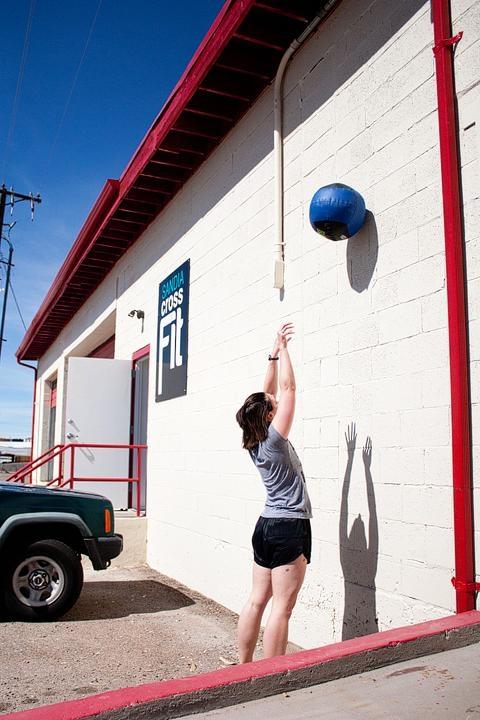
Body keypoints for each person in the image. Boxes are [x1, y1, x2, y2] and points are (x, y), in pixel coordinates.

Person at [235, 322, 312, 662]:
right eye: (273, 404)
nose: (278, 401)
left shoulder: (253, 439)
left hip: (265, 526)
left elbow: (266, 392)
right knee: (282, 608)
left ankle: (243, 667)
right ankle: (272, 676)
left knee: (256, 600)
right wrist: (287, 353)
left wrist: (272, 354)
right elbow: (289, 387)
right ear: (270, 415)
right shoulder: (276, 439)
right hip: (288, 526)